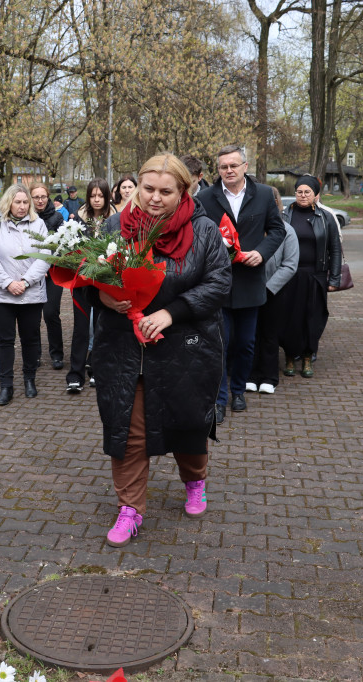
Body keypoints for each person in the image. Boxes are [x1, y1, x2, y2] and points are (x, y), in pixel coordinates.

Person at [93, 153, 231, 547]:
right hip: (124, 349)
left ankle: (195, 480)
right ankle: (130, 508)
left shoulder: (204, 230)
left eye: (165, 191)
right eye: (147, 189)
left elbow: (220, 283)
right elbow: (90, 275)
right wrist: (105, 297)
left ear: (184, 191)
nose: (154, 198)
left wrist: (172, 313)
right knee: (129, 431)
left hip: (185, 349)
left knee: (187, 423)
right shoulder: (115, 225)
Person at [196, 144, 285, 424]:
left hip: (250, 281)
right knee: (220, 344)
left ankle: (238, 391)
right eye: (223, 167)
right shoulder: (206, 198)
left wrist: (261, 252)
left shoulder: (263, 196)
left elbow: (278, 230)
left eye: (234, 165)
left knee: (246, 344)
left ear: (245, 166)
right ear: (218, 170)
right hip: (217, 283)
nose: (229, 171)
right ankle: (220, 398)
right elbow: (196, 232)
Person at [0, 183, 50, 406]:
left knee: (30, 339)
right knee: (5, 340)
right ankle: (6, 386)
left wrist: (26, 281)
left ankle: (30, 379)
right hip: (2, 295)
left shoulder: (39, 225)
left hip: (31, 293)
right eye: (17, 202)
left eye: (25, 202)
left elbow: (45, 255)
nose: (22, 206)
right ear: (8, 202)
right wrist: (8, 283)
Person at [280, 175, 342, 378]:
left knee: (313, 318)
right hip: (289, 276)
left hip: (315, 276)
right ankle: (290, 356)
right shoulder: (284, 215)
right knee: (289, 317)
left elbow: (335, 249)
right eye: (299, 191)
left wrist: (333, 279)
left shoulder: (326, 218)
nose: (303, 195)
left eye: (307, 192)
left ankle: (307, 357)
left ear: (316, 195)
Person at [67, 177, 117, 393]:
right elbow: (69, 247)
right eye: (93, 196)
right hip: (82, 281)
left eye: (101, 196)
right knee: (81, 327)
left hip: (104, 282)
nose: (96, 200)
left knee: (101, 326)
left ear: (107, 197)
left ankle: (97, 369)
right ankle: (75, 374)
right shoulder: (78, 219)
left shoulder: (115, 220)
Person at [246, 220, 299, 395]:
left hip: (274, 292)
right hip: (249, 289)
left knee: (269, 334)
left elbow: (290, 264)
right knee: (249, 334)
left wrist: (269, 288)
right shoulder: (251, 226)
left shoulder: (287, 230)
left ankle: (269, 377)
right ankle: (250, 375)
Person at [31, 182, 65, 370]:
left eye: (43, 196)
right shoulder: (26, 217)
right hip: (31, 274)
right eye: (36, 197)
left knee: (51, 313)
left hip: (53, 273)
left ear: (48, 197)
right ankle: (34, 354)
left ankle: (57, 353)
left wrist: (47, 265)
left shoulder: (57, 217)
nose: (40, 200)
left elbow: (61, 247)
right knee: (32, 315)